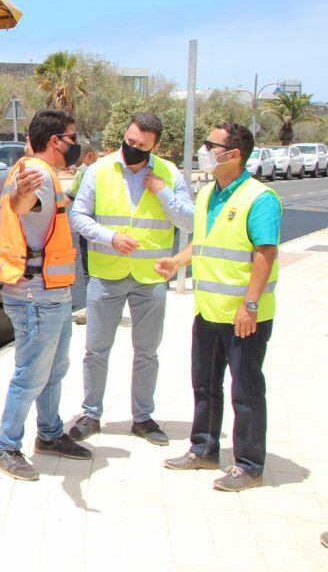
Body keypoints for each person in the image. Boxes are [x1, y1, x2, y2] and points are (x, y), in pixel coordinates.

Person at [155, 122, 280, 492]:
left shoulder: (260, 198)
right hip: (208, 310)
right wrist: (178, 261)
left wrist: (250, 305)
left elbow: (265, 254)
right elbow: (205, 243)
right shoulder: (209, 192)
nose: (204, 150)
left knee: (246, 391)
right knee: (205, 385)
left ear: (234, 154)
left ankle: (249, 465)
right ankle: (204, 449)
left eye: (211, 145)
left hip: (244, 316)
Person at [67, 113, 195, 447]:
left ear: (155, 146)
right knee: (96, 350)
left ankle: (143, 418)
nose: (131, 148)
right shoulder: (99, 169)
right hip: (106, 275)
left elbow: (190, 221)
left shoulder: (168, 173)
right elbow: (78, 216)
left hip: (151, 278)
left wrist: (163, 192)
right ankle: (90, 414)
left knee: (147, 352)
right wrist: (110, 237)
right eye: (129, 140)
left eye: (140, 145)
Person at [0, 108, 92, 481]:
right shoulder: (34, 174)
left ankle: (49, 435)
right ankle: (6, 446)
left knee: (54, 370)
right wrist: (17, 195)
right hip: (35, 295)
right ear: (56, 141)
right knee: (31, 374)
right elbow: (21, 203)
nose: (75, 144)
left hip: (54, 294)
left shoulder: (45, 173)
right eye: (72, 137)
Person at [66, 149, 99, 280]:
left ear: (89, 156)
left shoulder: (88, 172)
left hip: (93, 229)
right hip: (94, 229)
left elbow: (68, 198)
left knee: (92, 271)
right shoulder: (83, 174)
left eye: (78, 162)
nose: (76, 166)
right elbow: (69, 197)